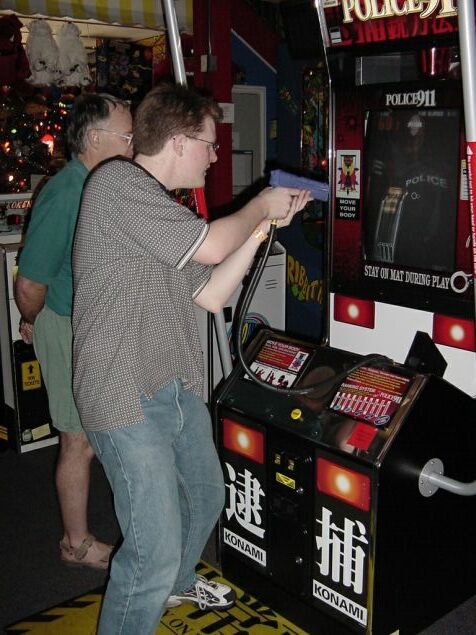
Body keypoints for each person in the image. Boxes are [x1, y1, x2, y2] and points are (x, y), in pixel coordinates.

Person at [72, 82, 311, 634]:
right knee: (151, 554)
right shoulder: (116, 184)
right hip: (124, 395)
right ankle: (155, 591)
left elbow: (211, 293)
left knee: (206, 497)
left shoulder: (157, 209)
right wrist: (260, 203)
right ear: (178, 141)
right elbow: (210, 246)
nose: (215, 156)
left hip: (173, 388)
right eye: (209, 143)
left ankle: (176, 585)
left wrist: (262, 227)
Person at [15, 93, 133, 569]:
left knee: (96, 432)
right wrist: (33, 319)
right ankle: (75, 543)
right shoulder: (67, 192)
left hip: (91, 324)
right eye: (127, 137)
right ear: (94, 139)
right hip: (65, 326)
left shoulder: (99, 185)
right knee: (77, 439)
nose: (132, 146)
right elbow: (30, 283)